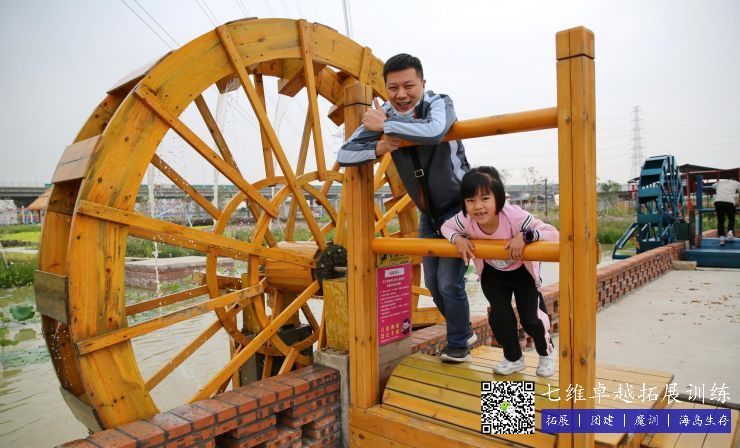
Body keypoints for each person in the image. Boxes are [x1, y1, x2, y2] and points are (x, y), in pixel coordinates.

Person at [338, 53, 474, 362]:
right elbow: (345, 154)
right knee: (433, 284)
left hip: (458, 208)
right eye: (393, 88)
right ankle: (464, 332)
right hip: (429, 214)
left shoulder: (439, 103)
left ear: (423, 83)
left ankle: (459, 343)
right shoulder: (385, 113)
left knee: (448, 283)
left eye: (409, 86)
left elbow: (434, 131)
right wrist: (380, 145)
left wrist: (387, 125)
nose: (401, 94)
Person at [441, 167, 559, 377]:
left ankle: (546, 353)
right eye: (470, 200)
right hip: (492, 272)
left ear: (499, 199)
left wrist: (526, 236)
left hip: (522, 271)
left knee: (531, 317)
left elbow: (553, 234)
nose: (478, 206)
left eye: (485, 198)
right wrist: (457, 238)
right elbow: (446, 228)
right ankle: (514, 358)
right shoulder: (465, 219)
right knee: (499, 317)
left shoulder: (514, 216)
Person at [711, 178, 740, 246]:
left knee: (720, 220)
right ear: (734, 180)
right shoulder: (737, 183)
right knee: (731, 218)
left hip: (718, 202)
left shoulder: (720, 182)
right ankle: (730, 232)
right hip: (729, 202)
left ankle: (721, 237)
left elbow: (712, 186)